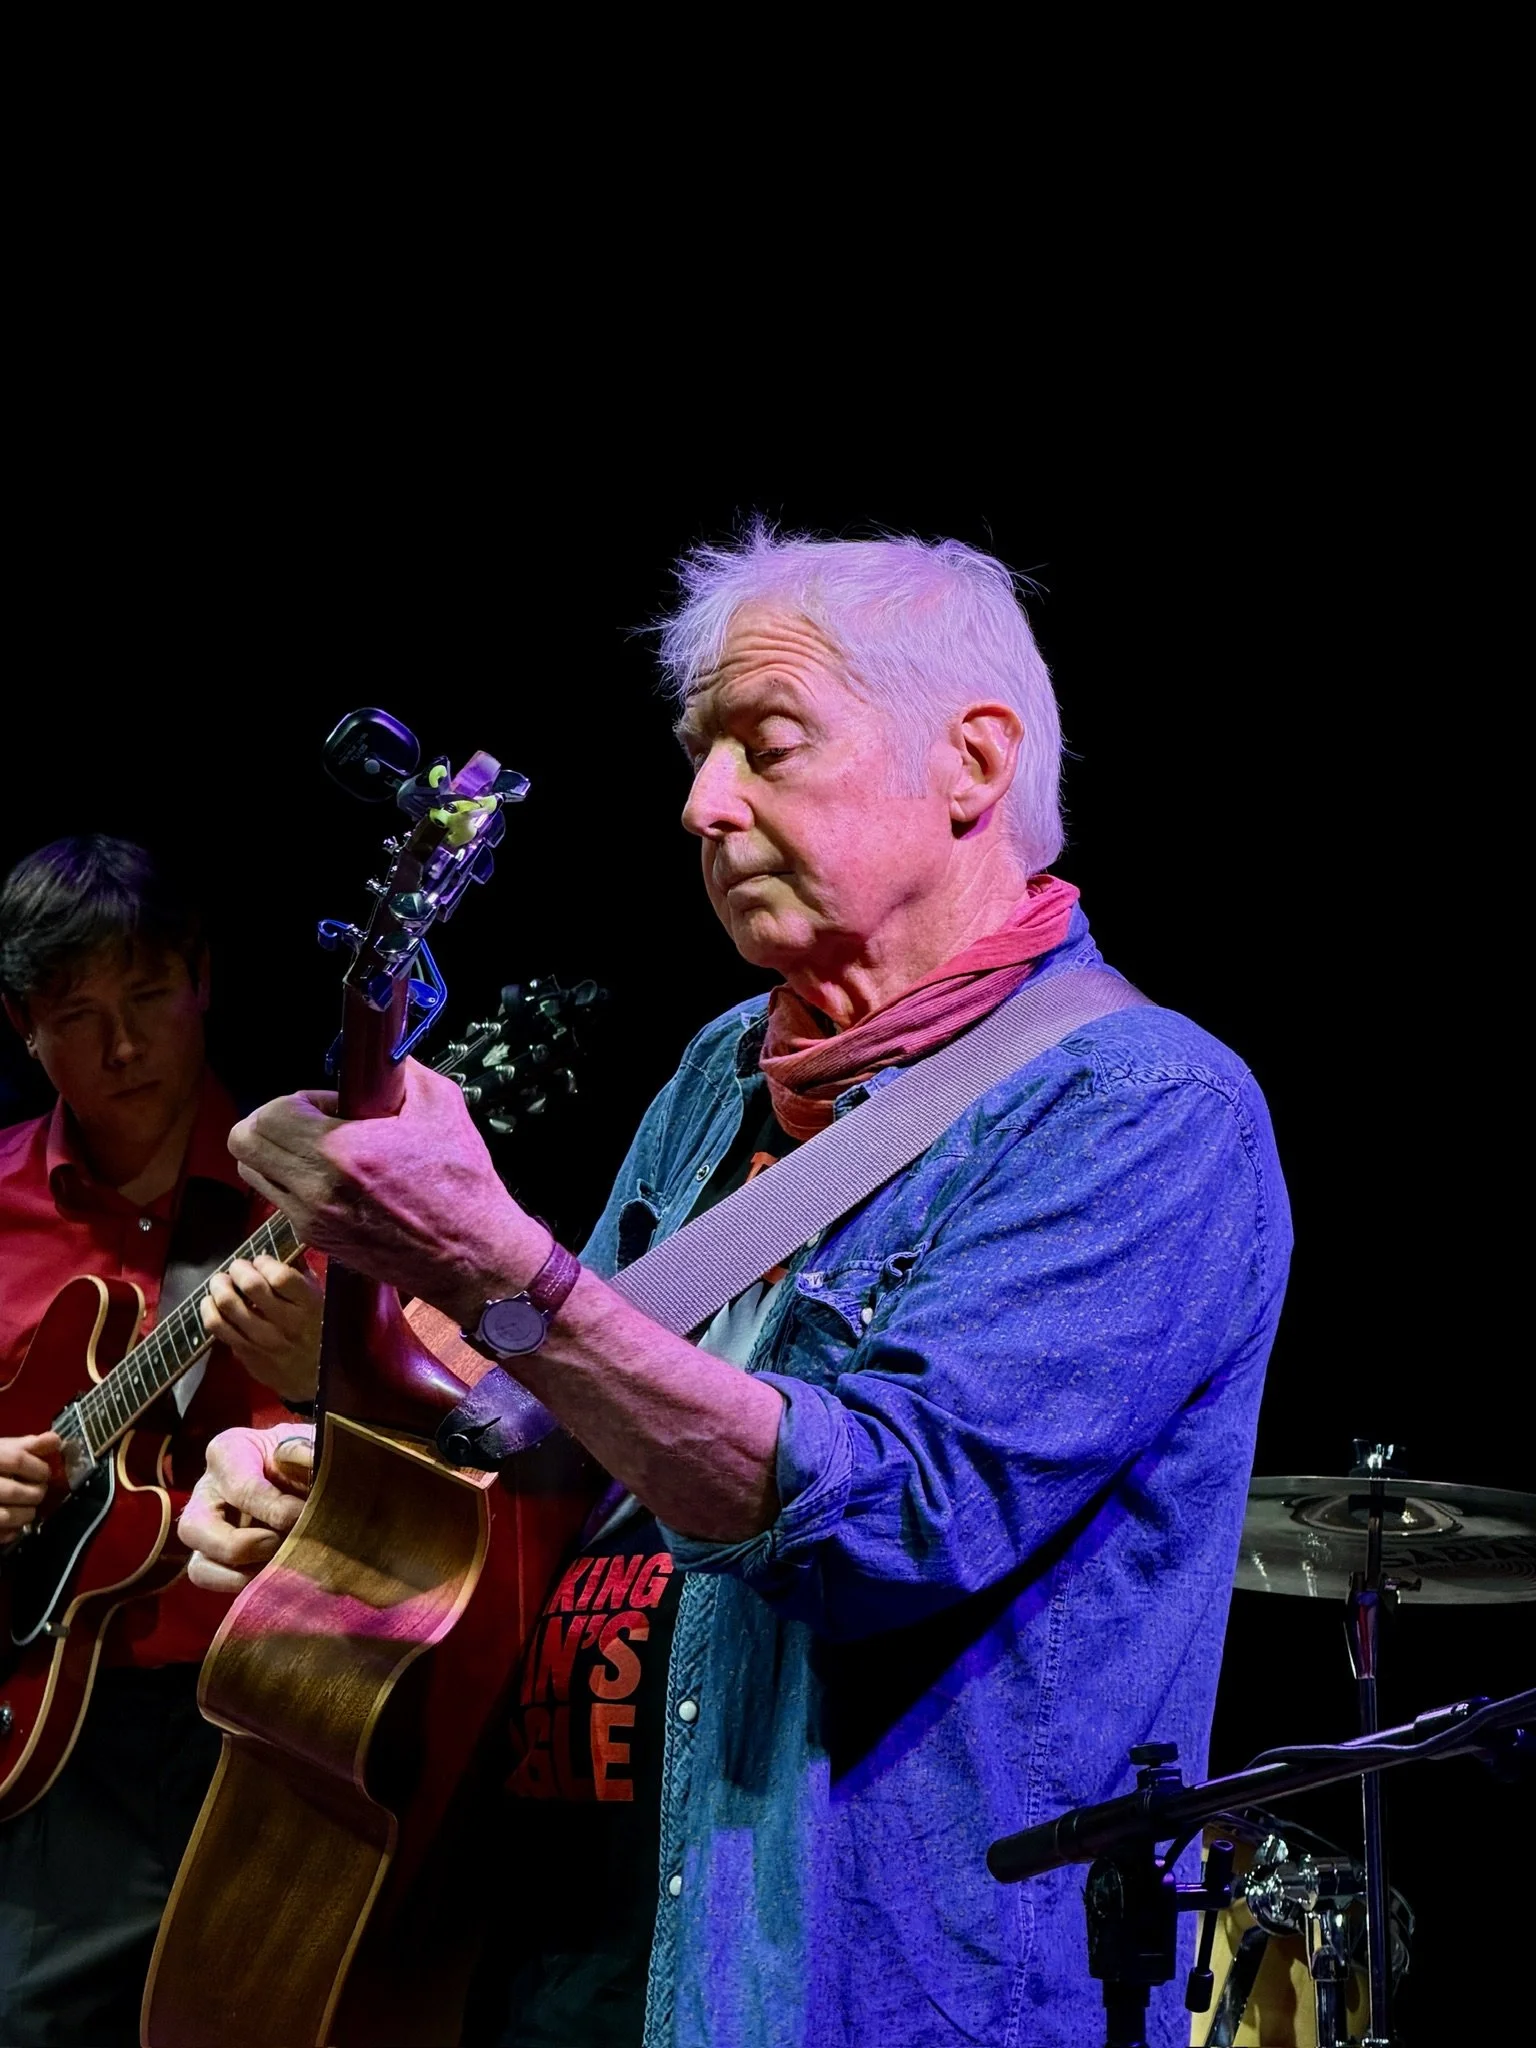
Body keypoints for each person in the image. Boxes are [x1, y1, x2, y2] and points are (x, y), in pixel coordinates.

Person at [180, 531, 1292, 2048]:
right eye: (698, 755)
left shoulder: (1144, 1107)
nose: (701, 804)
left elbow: (886, 1522)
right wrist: (352, 1485)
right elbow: (580, 1424)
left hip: (862, 1977)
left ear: (973, 761)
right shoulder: (725, 1066)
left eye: (767, 745)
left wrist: (495, 1258)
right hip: (572, 1933)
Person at [0, 836, 324, 2047]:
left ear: (202, 977)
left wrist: (323, 1373)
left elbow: (452, 1441)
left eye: (147, 997)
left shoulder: (310, 1190)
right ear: (21, 1024)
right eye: (77, 1016)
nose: (123, 1046)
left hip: (280, 1717)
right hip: (52, 1734)